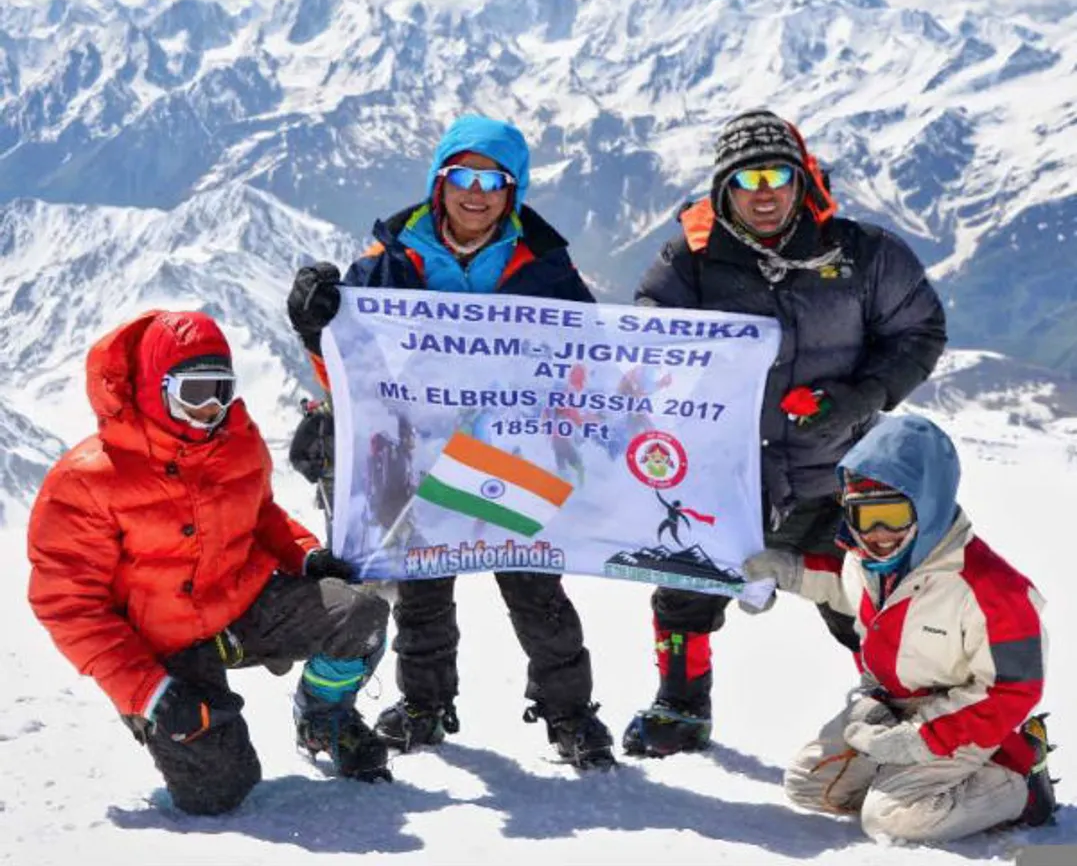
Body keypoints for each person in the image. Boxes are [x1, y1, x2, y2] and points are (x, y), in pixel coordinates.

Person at [286, 114, 615, 769]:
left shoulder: (544, 265)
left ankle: (570, 716)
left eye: (493, 179)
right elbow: (353, 365)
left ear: (512, 191)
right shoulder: (390, 261)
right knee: (423, 590)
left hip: (512, 451)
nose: (476, 191)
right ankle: (425, 706)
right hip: (416, 450)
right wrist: (312, 326)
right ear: (439, 182)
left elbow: (585, 356)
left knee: (534, 590)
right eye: (461, 175)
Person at [624, 108, 948, 757]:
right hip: (726, 474)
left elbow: (919, 330)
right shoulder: (688, 262)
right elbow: (648, 345)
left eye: (777, 173)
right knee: (685, 588)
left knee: (859, 599)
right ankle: (680, 708)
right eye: (746, 179)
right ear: (724, 191)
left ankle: (905, 708)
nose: (764, 191)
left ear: (801, 179)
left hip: (834, 470)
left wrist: (860, 396)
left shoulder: (861, 254)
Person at [27, 310, 393, 816]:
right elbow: (68, 607)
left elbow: (261, 514)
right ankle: (160, 720)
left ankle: (323, 717)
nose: (211, 408)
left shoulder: (236, 442)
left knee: (361, 615)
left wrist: (306, 555)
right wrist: (149, 693)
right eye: (194, 392)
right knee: (219, 791)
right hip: (162, 642)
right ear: (156, 389)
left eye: (222, 389)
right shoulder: (87, 482)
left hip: (240, 608)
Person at [742, 413, 1056, 841]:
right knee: (810, 787)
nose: (877, 534)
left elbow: (1013, 689)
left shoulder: (993, 590)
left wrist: (922, 739)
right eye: (862, 516)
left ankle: (1020, 785)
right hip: (890, 707)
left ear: (928, 504)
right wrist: (786, 572)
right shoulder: (866, 563)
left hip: (965, 715)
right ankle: (920, 783)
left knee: (888, 820)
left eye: (891, 514)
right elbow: (843, 585)